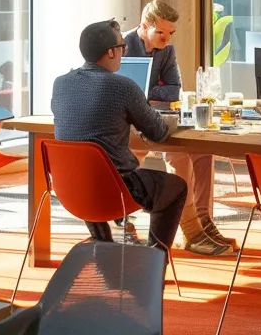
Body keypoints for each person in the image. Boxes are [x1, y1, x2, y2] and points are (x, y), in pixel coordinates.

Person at [51, 20, 188, 249]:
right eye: (122, 47)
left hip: (71, 189)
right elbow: (158, 132)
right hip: (118, 191)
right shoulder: (123, 86)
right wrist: (174, 120)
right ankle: (155, 261)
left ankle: (102, 243)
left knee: (89, 170)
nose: (124, 52)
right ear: (111, 52)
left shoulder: (60, 84)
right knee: (176, 188)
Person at [126, 0, 236, 256]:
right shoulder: (123, 45)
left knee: (201, 152)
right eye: (160, 33)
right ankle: (190, 230)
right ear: (144, 26)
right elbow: (121, 92)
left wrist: (141, 93)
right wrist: (145, 96)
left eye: (170, 33)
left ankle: (203, 220)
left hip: (157, 117)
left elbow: (174, 89)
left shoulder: (167, 51)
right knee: (179, 157)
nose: (166, 39)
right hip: (130, 123)